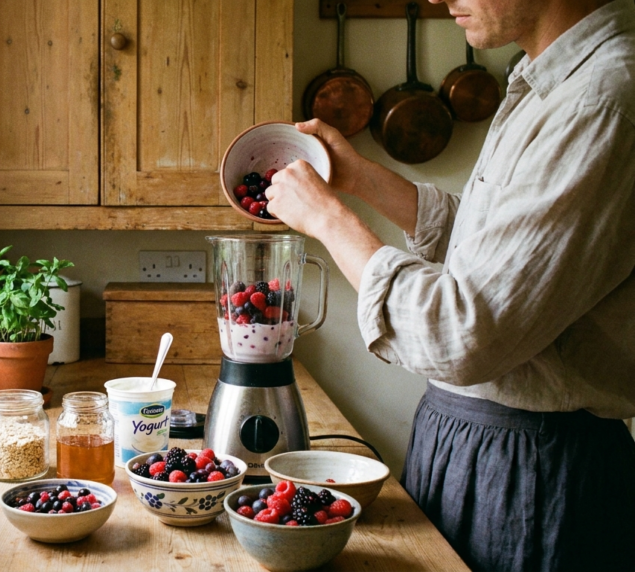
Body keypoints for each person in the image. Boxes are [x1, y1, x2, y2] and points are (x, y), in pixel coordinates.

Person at [265, 0, 635, 569]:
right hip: (488, 449)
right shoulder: (549, 76)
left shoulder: (602, 100)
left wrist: (327, 220)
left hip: (535, 476)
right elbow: (501, 255)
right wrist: (360, 178)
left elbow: (464, 331)